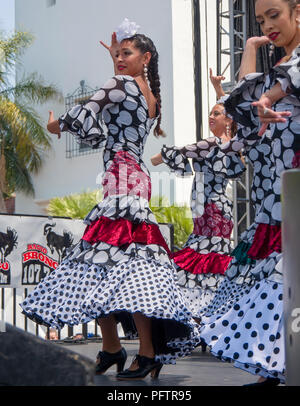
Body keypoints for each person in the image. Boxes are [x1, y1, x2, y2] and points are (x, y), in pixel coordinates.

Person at [20, 20, 202, 380]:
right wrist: (119, 65)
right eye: (116, 54)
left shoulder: (119, 84)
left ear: (145, 56)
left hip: (121, 181)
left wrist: (58, 126)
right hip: (134, 179)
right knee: (113, 264)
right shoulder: (149, 95)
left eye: (126, 53)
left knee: (104, 263)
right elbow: (119, 100)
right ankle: (115, 348)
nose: (119, 59)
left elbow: (85, 116)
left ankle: (135, 350)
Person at [199, 0, 300, 386]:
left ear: (297, 11)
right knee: (273, 286)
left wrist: (268, 99)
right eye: (260, 19)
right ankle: (276, 369)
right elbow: (246, 94)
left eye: (274, 14)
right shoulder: (276, 72)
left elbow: (277, 86)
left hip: (294, 196)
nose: (268, 25)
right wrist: (251, 50)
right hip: (278, 200)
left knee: (285, 283)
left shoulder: (291, 71)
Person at [151, 73, 245, 330]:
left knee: (200, 260)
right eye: (211, 113)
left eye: (216, 114)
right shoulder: (231, 144)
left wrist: (158, 158)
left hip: (210, 210)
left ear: (227, 120)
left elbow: (182, 151)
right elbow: (230, 113)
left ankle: (198, 315)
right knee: (212, 262)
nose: (211, 116)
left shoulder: (212, 142)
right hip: (217, 211)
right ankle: (211, 315)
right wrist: (217, 89)